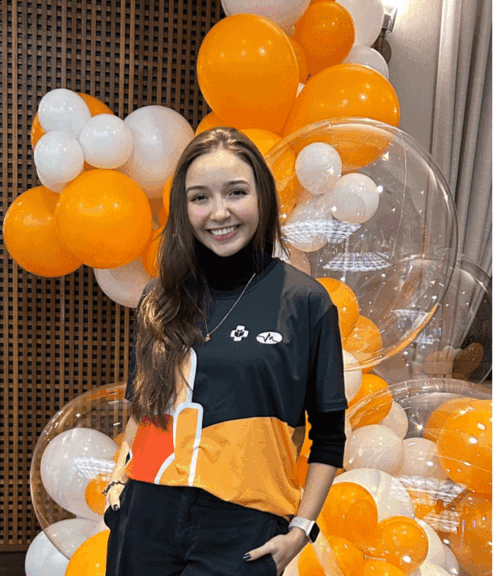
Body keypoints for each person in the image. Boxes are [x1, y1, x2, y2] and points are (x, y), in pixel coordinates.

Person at [101, 127, 347, 575]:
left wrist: (301, 529)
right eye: (200, 197)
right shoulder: (159, 298)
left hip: (244, 524)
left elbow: (329, 434)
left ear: (263, 199)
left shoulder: (306, 302)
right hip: (144, 513)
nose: (219, 212)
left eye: (236, 192)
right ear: (183, 208)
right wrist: (120, 483)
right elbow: (144, 406)